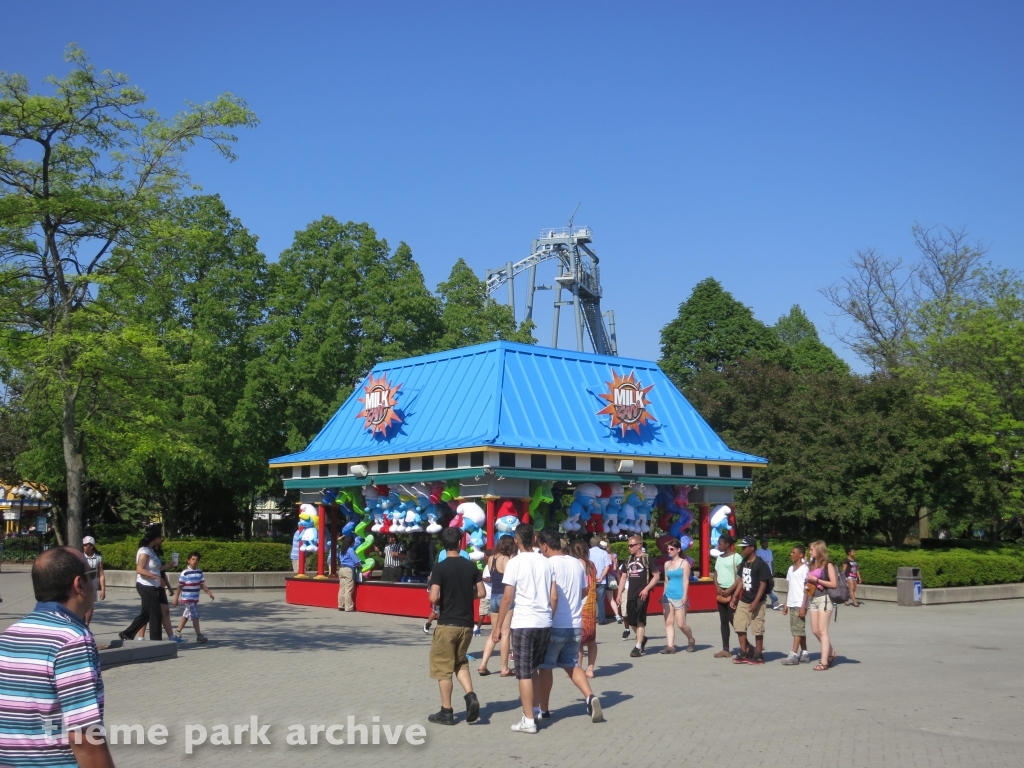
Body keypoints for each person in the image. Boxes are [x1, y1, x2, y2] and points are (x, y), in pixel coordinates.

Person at [0, 546, 116, 768]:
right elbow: (83, 737)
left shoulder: (9, 635)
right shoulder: (73, 640)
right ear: (79, 584)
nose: (95, 582)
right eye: (92, 575)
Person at [492, 524, 554, 734]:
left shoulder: (515, 563)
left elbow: (507, 597)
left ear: (516, 540)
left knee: (524, 673)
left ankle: (528, 720)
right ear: (534, 539)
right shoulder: (546, 562)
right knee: (534, 667)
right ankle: (535, 709)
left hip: (524, 622)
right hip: (544, 621)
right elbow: (553, 595)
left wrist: (498, 626)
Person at [534, 531, 603, 723]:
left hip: (555, 622)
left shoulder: (547, 564)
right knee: (572, 664)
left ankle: (544, 709)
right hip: (575, 623)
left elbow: (548, 594)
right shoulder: (576, 563)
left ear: (545, 545)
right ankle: (589, 696)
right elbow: (584, 591)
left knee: (545, 667)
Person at [427, 527, 483, 726]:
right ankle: (470, 695)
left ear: (443, 545)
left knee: (443, 668)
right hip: (466, 625)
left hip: (447, 623)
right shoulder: (471, 567)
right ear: (460, 543)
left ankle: (447, 711)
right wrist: (465, 595)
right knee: (460, 663)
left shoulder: (439, 568)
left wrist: (445, 597)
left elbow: (433, 597)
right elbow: (482, 592)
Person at [119, 525, 183, 643]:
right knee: (156, 613)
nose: (161, 539)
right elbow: (140, 569)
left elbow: (155, 568)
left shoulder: (152, 551)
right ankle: (156, 641)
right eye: (160, 537)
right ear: (155, 538)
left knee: (146, 613)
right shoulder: (144, 551)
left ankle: (127, 633)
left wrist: (168, 565)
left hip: (153, 586)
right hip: (145, 585)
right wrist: (157, 577)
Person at [477, 536, 516, 676]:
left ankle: (483, 664)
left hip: (493, 597)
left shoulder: (491, 559)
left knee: (494, 632)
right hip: (504, 597)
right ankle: (504, 668)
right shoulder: (506, 560)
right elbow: (510, 578)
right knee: (505, 633)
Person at [616, 534, 659, 657]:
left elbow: (656, 576)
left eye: (632, 545)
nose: (629, 547)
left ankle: (638, 647)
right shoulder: (628, 560)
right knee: (630, 620)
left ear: (639, 545)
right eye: (629, 545)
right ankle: (643, 639)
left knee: (640, 620)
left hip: (642, 594)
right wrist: (619, 594)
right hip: (631, 593)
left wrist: (646, 589)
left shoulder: (647, 559)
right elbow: (623, 578)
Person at [730, 535, 771, 664]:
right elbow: (741, 580)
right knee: (739, 625)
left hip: (757, 601)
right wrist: (735, 596)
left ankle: (758, 654)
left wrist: (755, 602)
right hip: (744, 599)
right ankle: (744, 652)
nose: (742, 550)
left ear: (752, 548)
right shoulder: (744, 562)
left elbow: (763, 584)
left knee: (757, 628)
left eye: (744, 547)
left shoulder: (760, 563)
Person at [804, 540, 840, 671]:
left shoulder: (828, 565)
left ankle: (824, 661)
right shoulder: (812, 565)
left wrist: (817, 580)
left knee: (823, 630)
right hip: (813, 598)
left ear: (819, 550)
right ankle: (831, 652)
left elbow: (834, 584)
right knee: (815, 630)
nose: (810, 552)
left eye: (812, 549)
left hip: (824, 598)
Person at [659, 538, 695, 654]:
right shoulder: (667, 564)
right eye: (668, 549)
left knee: (681, 624)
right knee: (668, 622)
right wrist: (663, 595)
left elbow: (686, 581)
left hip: (680, 596)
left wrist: (685, 596)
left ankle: (691, 639)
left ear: (678, 550)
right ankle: (670, 647)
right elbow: (666, 581)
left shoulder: (684, 563)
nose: (669, 551)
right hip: (668, 596)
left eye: (672, 549)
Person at [570, 540, 599, 677]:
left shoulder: (574, 564)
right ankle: (590, 668)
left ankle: (578, 667)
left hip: (579, 603)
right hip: (590, 605)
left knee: (578, 639)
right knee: (590, 639)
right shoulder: (591, 565)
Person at [172, 551, 215, 643]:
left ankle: (177, 632)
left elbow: (202, 584)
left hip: (194, 598)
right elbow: (179, 587)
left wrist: (209, 593)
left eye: (197, 559)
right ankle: (199, 635)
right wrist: (176, 598)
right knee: (195, 615)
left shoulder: (199, 572)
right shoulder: (185, 573)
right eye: (193, 559)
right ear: (188, 561)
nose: (195, 561)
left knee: (186, 615)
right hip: (187, 598)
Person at [713, 534, 742, 658]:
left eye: (720, 543)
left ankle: (746, 645)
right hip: (721, 592)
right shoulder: (719, 558)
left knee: (733, 620)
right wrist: (718, 588)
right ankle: (725, 648)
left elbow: (741, 576)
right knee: (723, 621)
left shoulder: (737, 557)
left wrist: (731, 589)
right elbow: (715, 575)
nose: (718, 545)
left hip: (732, 592)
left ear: (727, 544)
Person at [781, 545, 811, 665]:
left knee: (798, 629)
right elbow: (790, 587)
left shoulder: (805, 569)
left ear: (801, 555)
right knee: (797, 629)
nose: (791, 554)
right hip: (792, 602)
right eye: (791, 552)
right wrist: (786, 603)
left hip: (800, 602)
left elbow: (807, 588)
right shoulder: (790, 569)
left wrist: (804, 606)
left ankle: (793, 654)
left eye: (794, 552)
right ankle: (805, 653)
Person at [587, 535, 612, 625]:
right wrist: (601, 576)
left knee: (590, 600)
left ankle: (591, 618)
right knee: (600, 601)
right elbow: (607, 566)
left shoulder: (588, 552)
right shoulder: (603, 553)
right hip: (601, 580)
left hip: (590, 579)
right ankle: (601, 619)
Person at [82, 536, 105, 626]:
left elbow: (101, 574)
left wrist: (103, 589)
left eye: (86, 545)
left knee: (90, 605)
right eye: (83, 545)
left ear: (91, 546)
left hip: (93, 585)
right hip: (83, 585)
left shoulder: (98, 558)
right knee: (82, 604)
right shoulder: (81, 557)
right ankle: (81, 623)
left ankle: (86, 625)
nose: (84, 547)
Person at [755, 536, 781, 610]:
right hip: (762, 572)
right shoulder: (758, 552)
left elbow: (771, 562)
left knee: (769, 587)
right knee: (768, 588)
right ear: (761, 543)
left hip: (769, 572)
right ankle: (775, 601)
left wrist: (773, 572)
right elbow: (758, 563)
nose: (766, 543)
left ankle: (773, 603)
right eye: (765, 542)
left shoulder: (769, 551)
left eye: (767, 542)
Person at [337, 536, 360, 612]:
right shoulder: (350, 550)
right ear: (352, 542)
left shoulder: (342, 550)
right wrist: (360, 565)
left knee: (342, 588)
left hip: (342, 569)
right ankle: (348, 607)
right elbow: (356, 561)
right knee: (348, 589)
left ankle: (341, 605)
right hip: (348, 570)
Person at [604, 541, 622, 624]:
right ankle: (617, 616)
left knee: (599, 599)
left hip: (602, 578)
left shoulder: (602, 555)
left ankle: (601, 616)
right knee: (611, 599)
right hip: (611, 578)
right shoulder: (613, 555)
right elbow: (615, 568)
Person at [474, 550, 492, 636]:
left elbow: (489, 579)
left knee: (482, 613)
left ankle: (477, 628)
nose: (483, 558)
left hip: (487, 593)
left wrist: (480, 578)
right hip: (490, 593)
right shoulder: (491, 566)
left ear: (487, 557)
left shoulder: (488, 567)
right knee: (490, 612)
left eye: (484, 556)